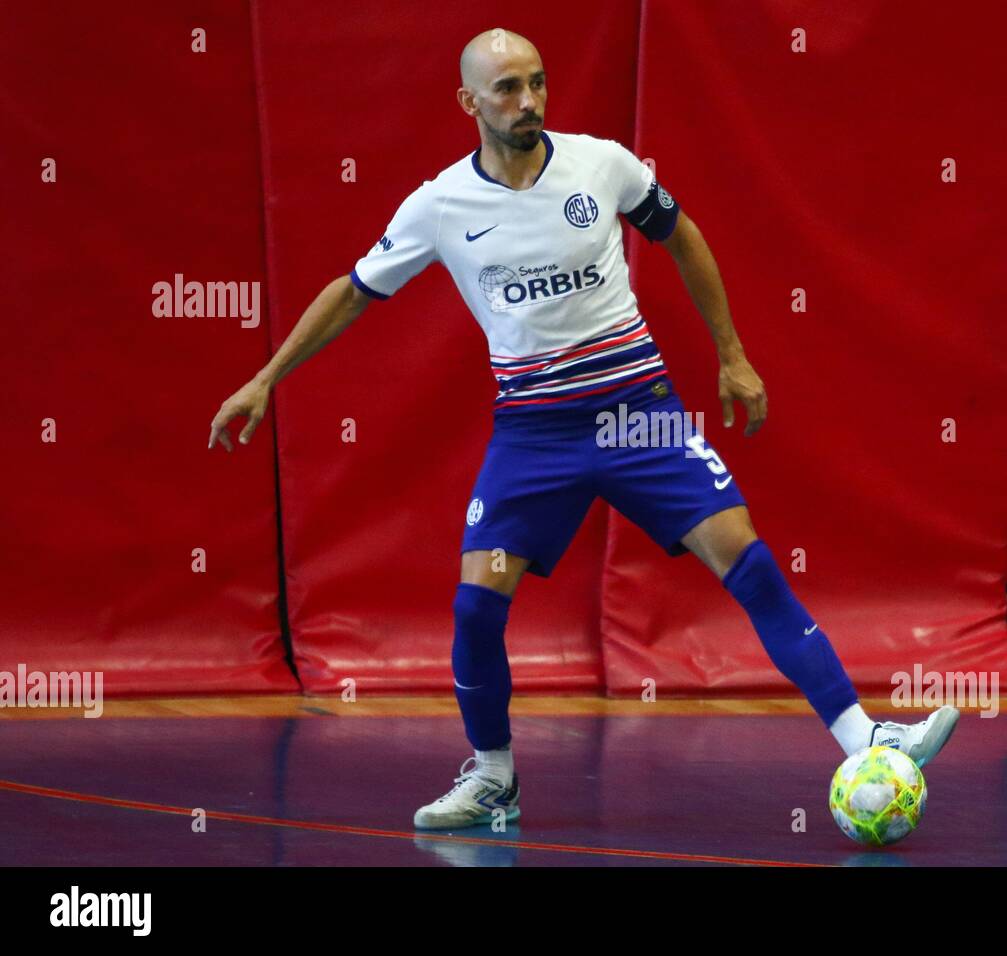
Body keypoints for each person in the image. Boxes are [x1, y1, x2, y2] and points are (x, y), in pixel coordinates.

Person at [208, 28, 958, 830]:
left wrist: (732, 355)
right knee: (474, 608)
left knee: (747, 558)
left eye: (536, 82)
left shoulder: (602, 164)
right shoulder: (438, 207)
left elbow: (684, 236)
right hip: (535, 434)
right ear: (469, 102)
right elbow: (353, 291)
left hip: (640, 415)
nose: (527, 101)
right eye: (506, 89)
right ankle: (494, 778)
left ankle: (866, 735)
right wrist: (264, 380)